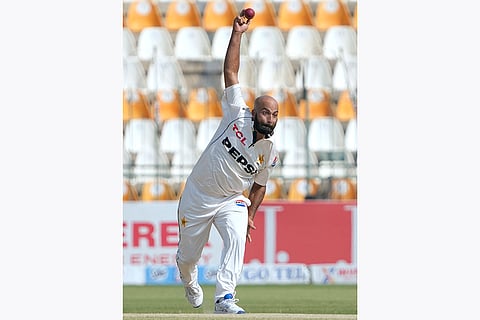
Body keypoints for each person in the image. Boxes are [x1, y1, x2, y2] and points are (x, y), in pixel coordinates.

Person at [175, 13, 280, 314]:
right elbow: (231, 72)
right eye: (264, 112)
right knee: (187, 257)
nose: (268, 118)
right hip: (198, 194)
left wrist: (251, 212)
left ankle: (225, 298)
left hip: (231, 199)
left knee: (236, 237)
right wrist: (238, 34)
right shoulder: (237, 112)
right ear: (254, 110)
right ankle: (189, 281)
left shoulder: (269, 152)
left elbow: (259, 186)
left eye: (273, 114)